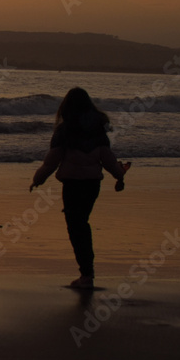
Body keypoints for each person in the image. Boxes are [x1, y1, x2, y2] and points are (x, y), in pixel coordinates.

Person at [29, 87, 130, 289]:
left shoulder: (64, 131)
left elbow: (51, 162)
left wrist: (37, 179)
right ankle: (87, 273)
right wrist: (119, 176)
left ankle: (86, 274)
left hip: (72, 184)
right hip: (92, 184)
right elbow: (108, 159)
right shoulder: (97, 131)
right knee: (81, 223)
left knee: (76, 226)